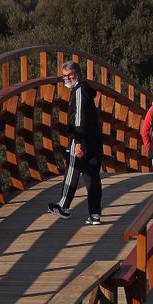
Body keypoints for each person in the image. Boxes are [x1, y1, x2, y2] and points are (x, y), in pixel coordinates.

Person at [47, 60, 104, 225]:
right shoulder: (86, 90)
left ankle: (63, 206)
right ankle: (95, 214)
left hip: (81, 139)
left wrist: (78, 141)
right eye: (64, 76)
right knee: (92, 177)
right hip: (94, 140)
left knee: (72, 171)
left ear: (77, 74)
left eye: (69, 75)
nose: (66, 79)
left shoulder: (79, 91)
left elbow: (79, 119)